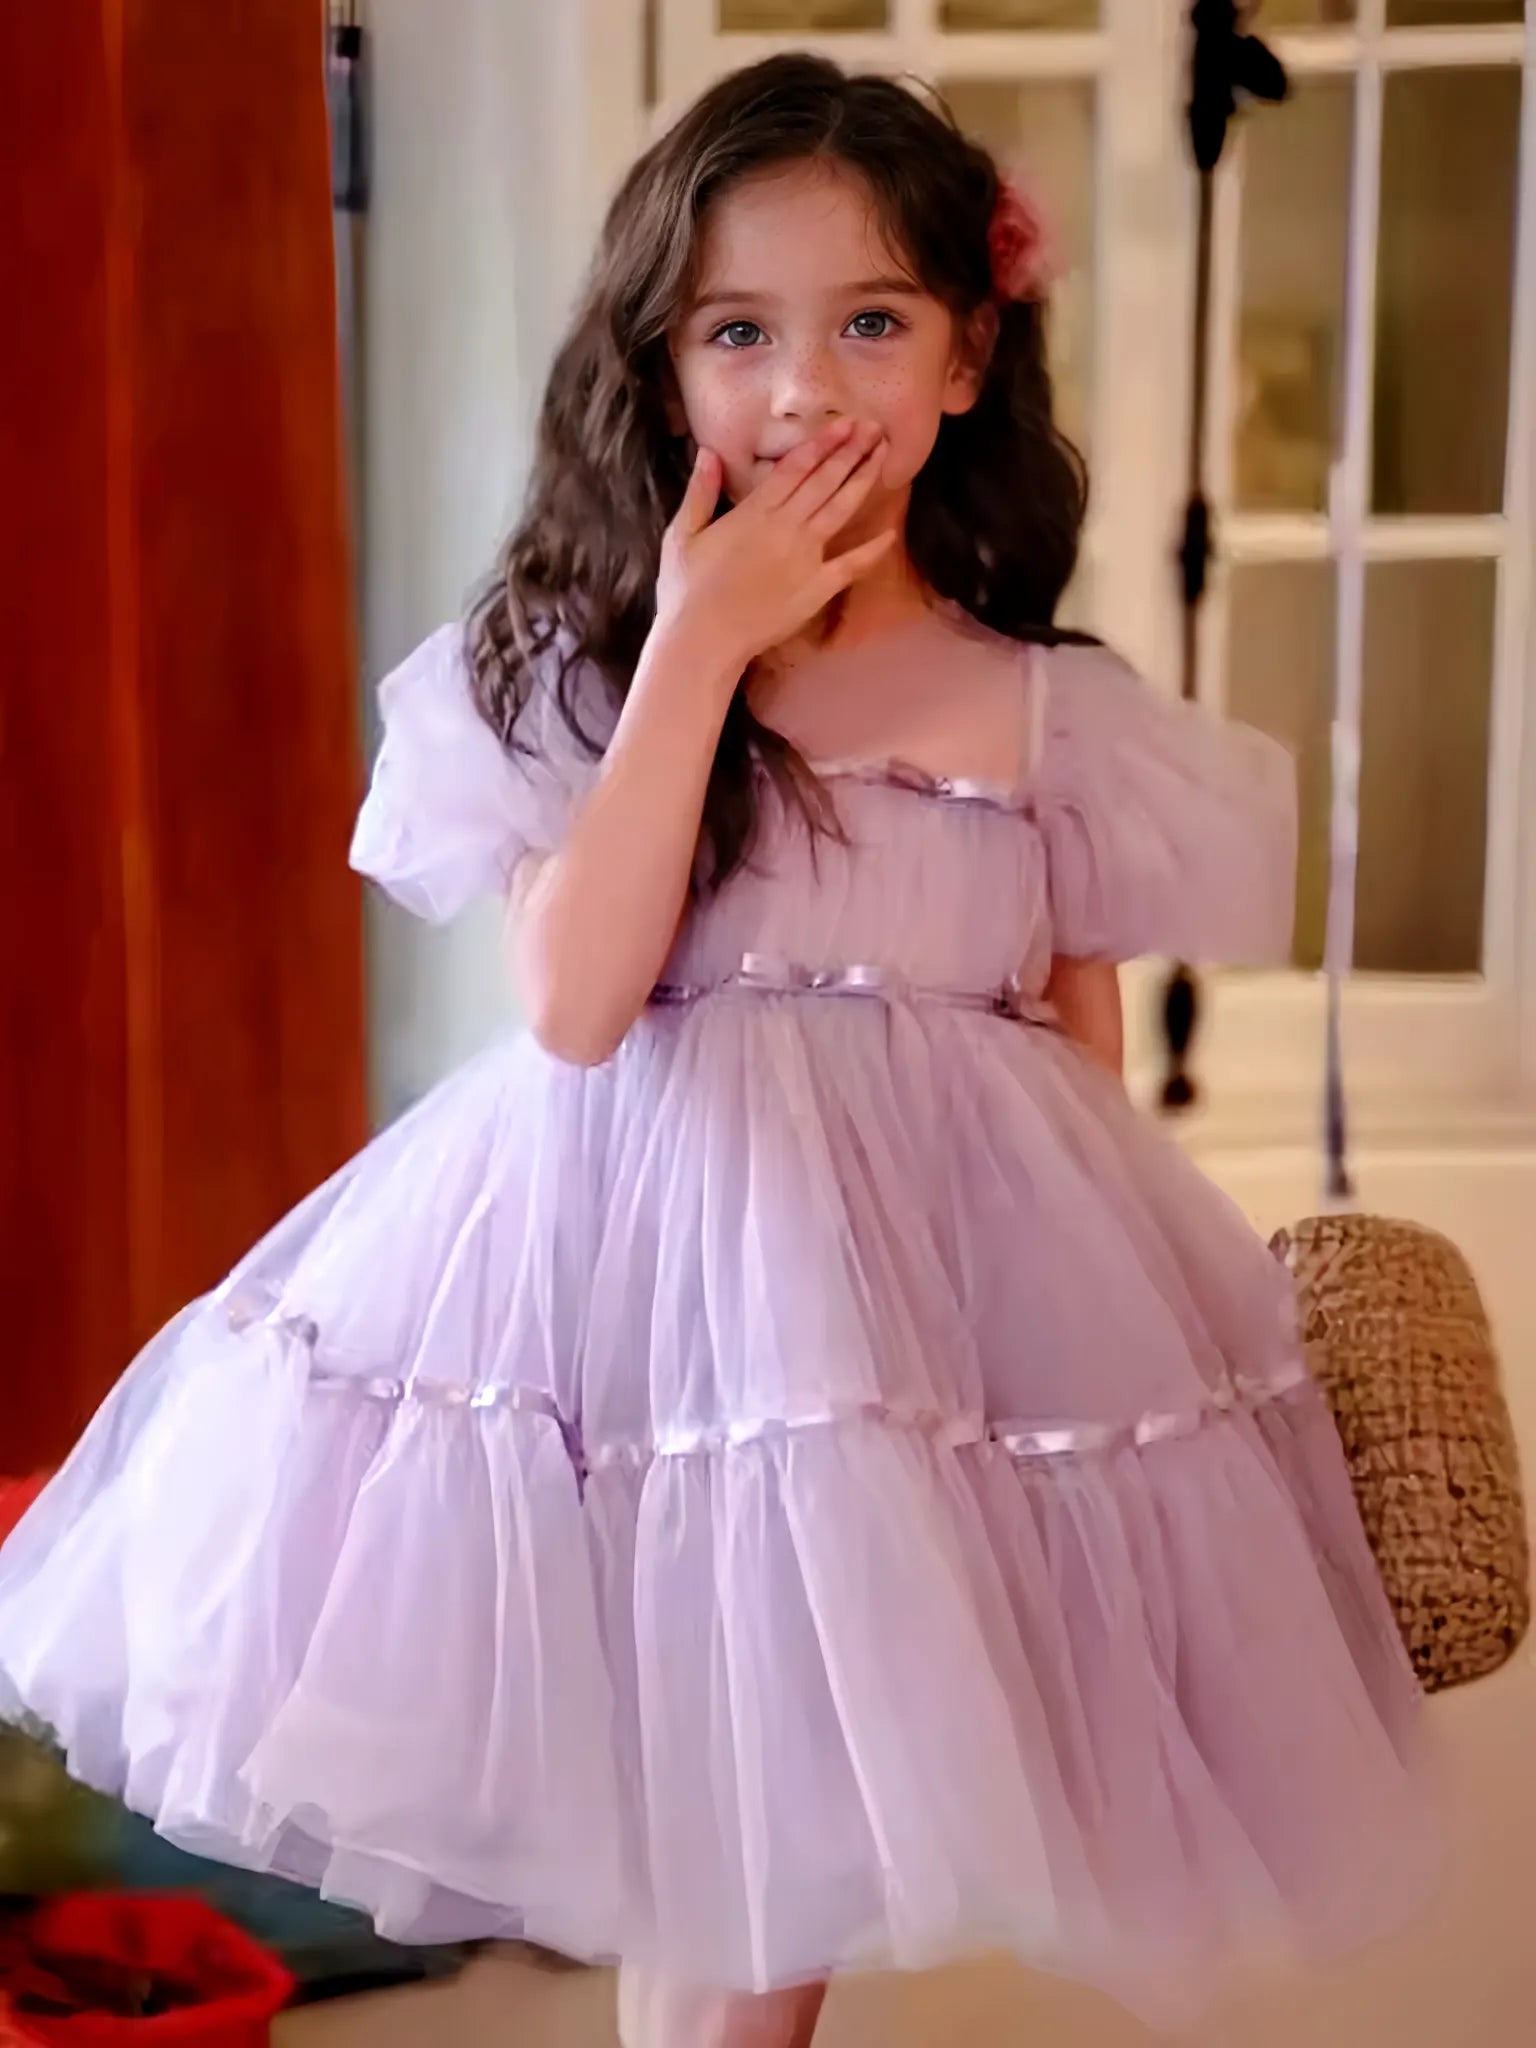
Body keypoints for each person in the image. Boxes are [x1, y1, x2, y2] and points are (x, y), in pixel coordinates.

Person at [0, 52, 1436, 2048]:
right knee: (707, 1876)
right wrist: (694, 643)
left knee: (764, 1896)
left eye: (871, 323)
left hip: (889, 1371)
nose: (802, 389)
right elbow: (578, 1007)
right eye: (738, 332)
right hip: (619, 1332)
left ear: (966, 352)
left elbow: (1078, 1101)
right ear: (662, 370)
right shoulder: (573, 678)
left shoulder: (1052, 719)